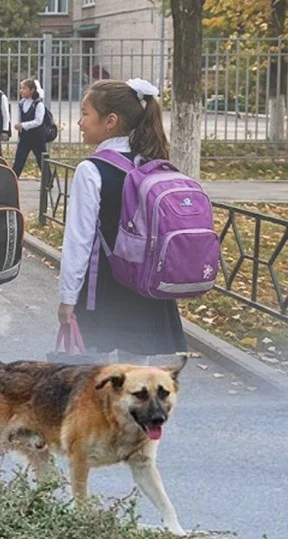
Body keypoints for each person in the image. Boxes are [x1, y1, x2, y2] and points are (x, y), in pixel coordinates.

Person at [58, 78, 187, 360]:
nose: (80, 122)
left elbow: (79, 241)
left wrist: (67, 298)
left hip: (103, 288)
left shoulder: (91, 170)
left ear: (110, 121)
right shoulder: (152, 161)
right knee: (136, 383)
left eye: (85, 113)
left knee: (99, 380)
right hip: (145, 285)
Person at [11, 78, 47, 178]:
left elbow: (38, 121)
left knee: (42, 161)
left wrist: (23, 125)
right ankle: (13, 180)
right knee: (19, 160)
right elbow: (20, 117)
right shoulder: (22, 103)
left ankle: (48, 181)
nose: (21, 90)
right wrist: (19, 125)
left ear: (32, 90)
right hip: (25, 137)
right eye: (21, 88)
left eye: (24, 88)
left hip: (37, 137)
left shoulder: (38, 104)